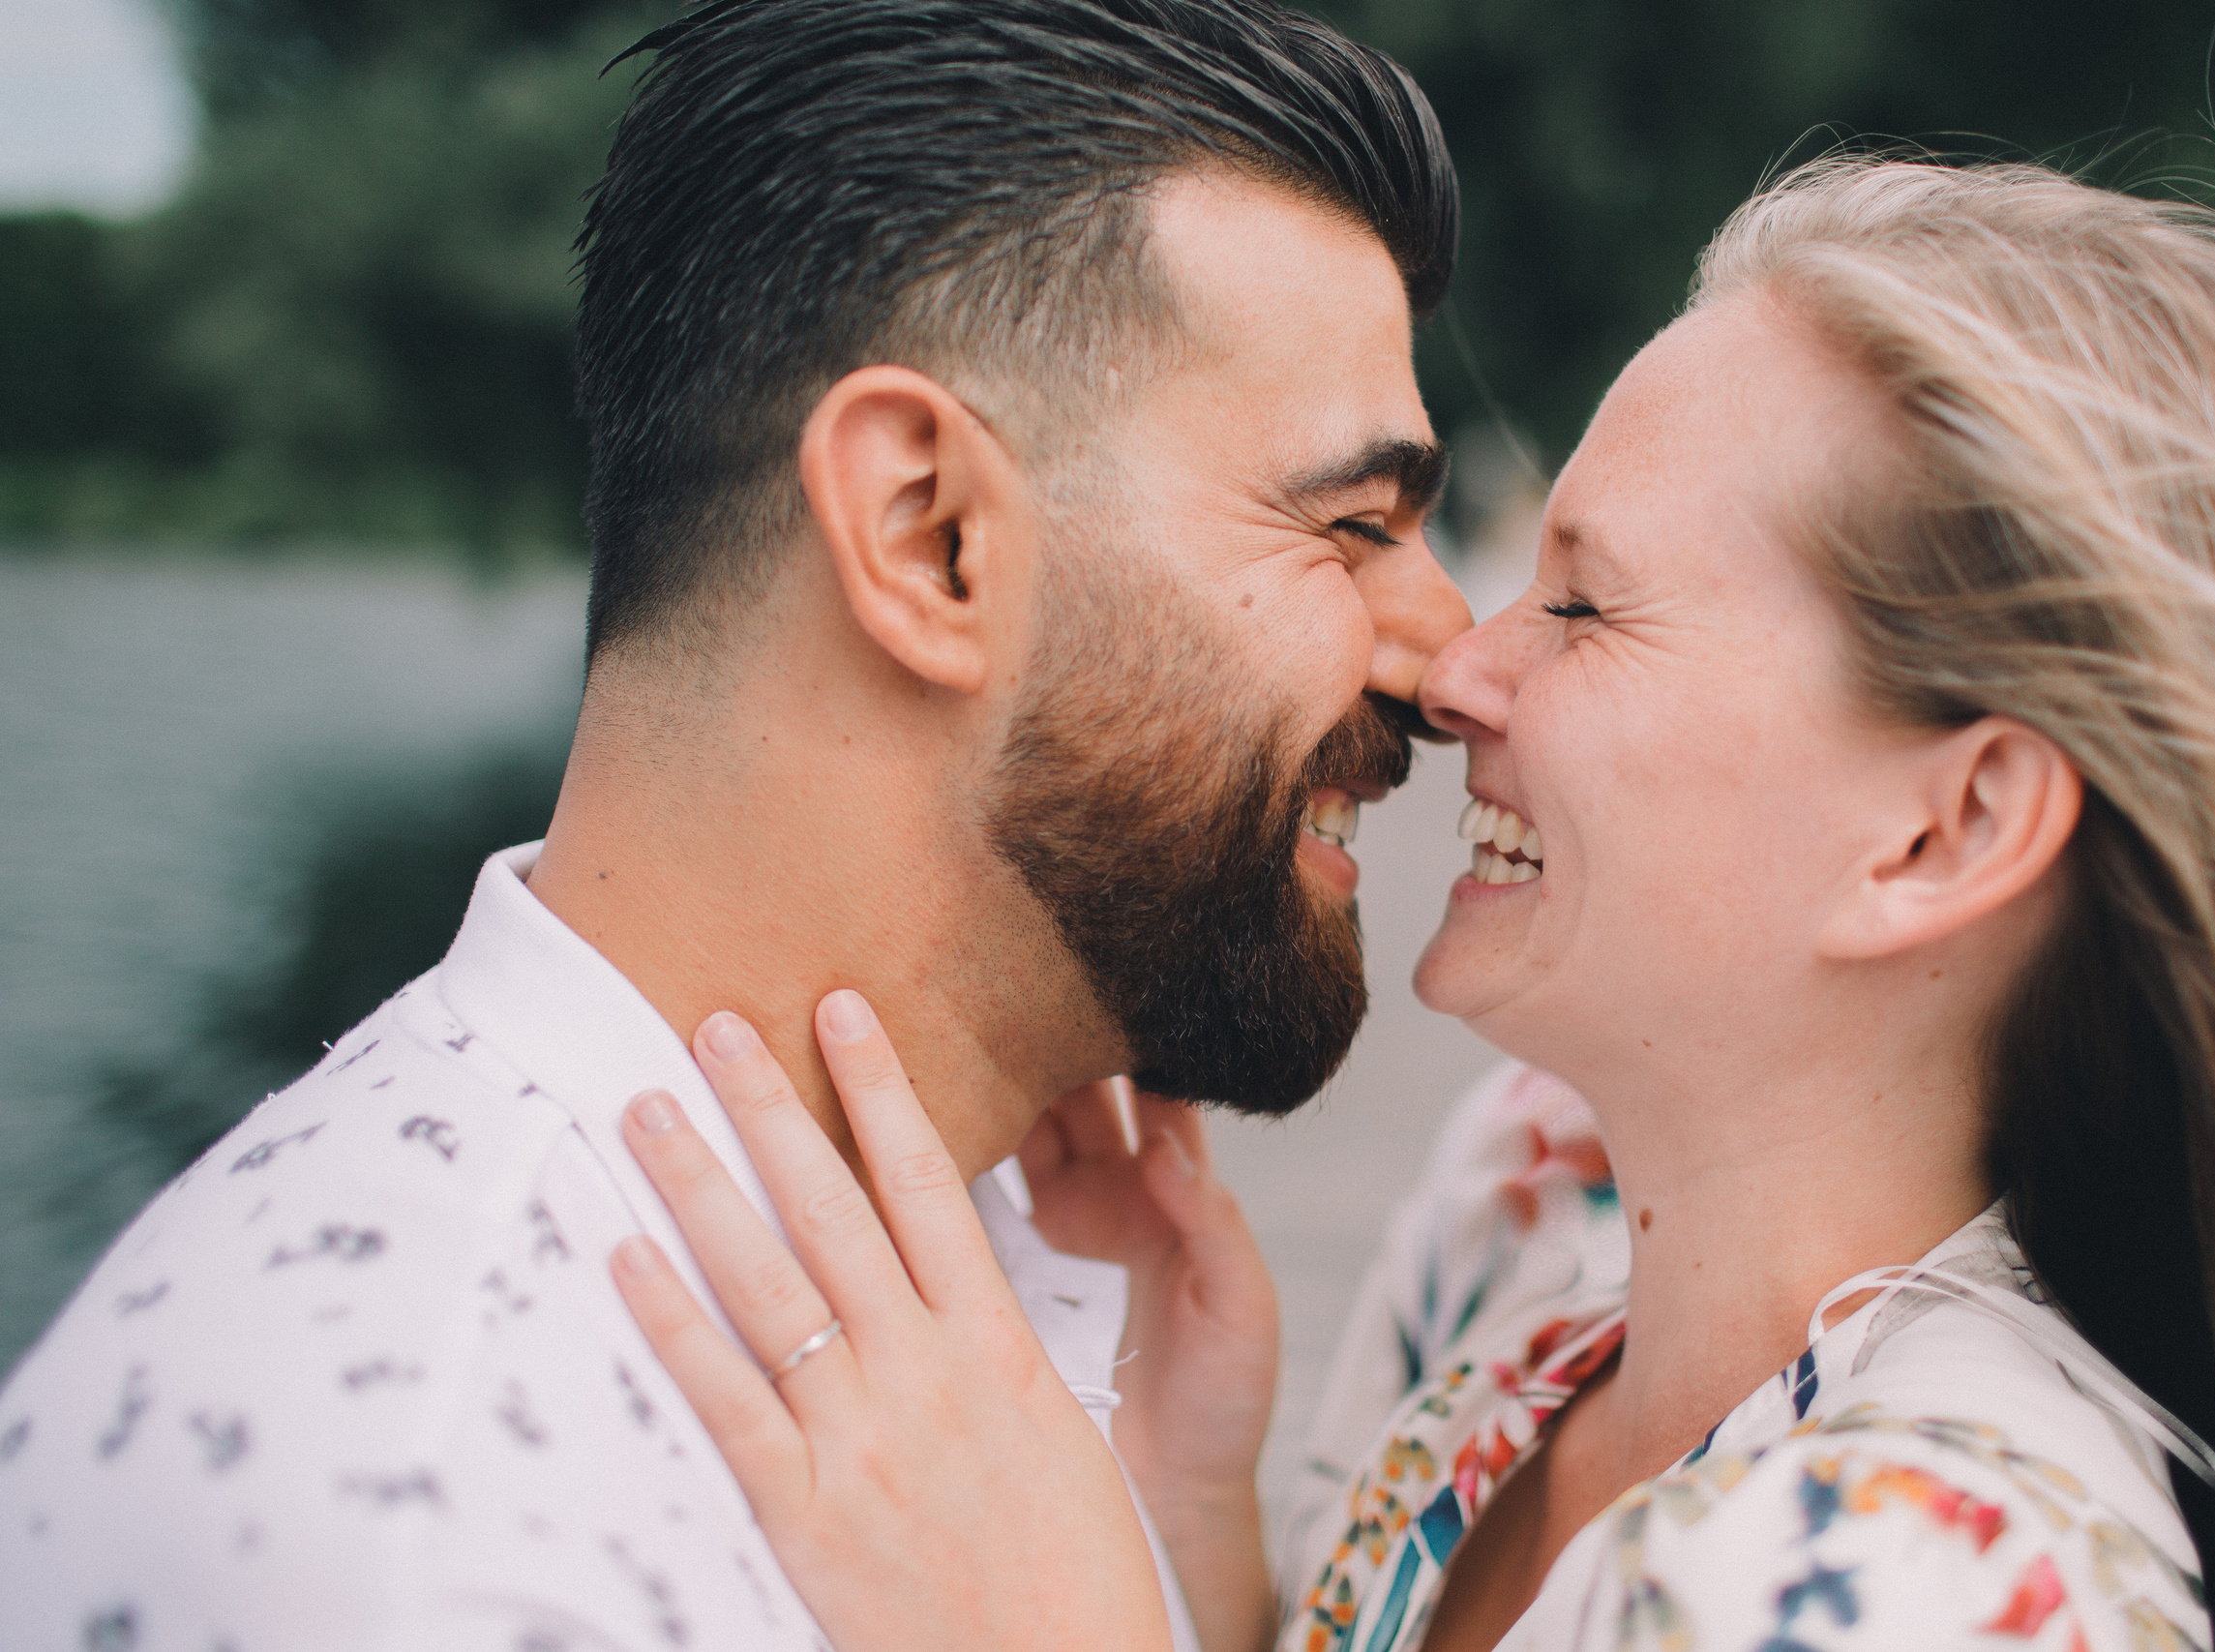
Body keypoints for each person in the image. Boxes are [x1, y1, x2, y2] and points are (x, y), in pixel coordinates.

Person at [609, 157, 2215, 1652]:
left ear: (1945, 829)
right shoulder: (1527, 1221)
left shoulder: (1918, 1580)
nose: (1451, 671)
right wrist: (1195, 1522)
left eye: (1583, 602)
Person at [0, 2, 1472, 1646]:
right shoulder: (411, 1547)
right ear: (930, 541)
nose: (1455, 653)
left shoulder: (978, 1252)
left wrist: (1183, 1550)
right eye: (1353, 527)